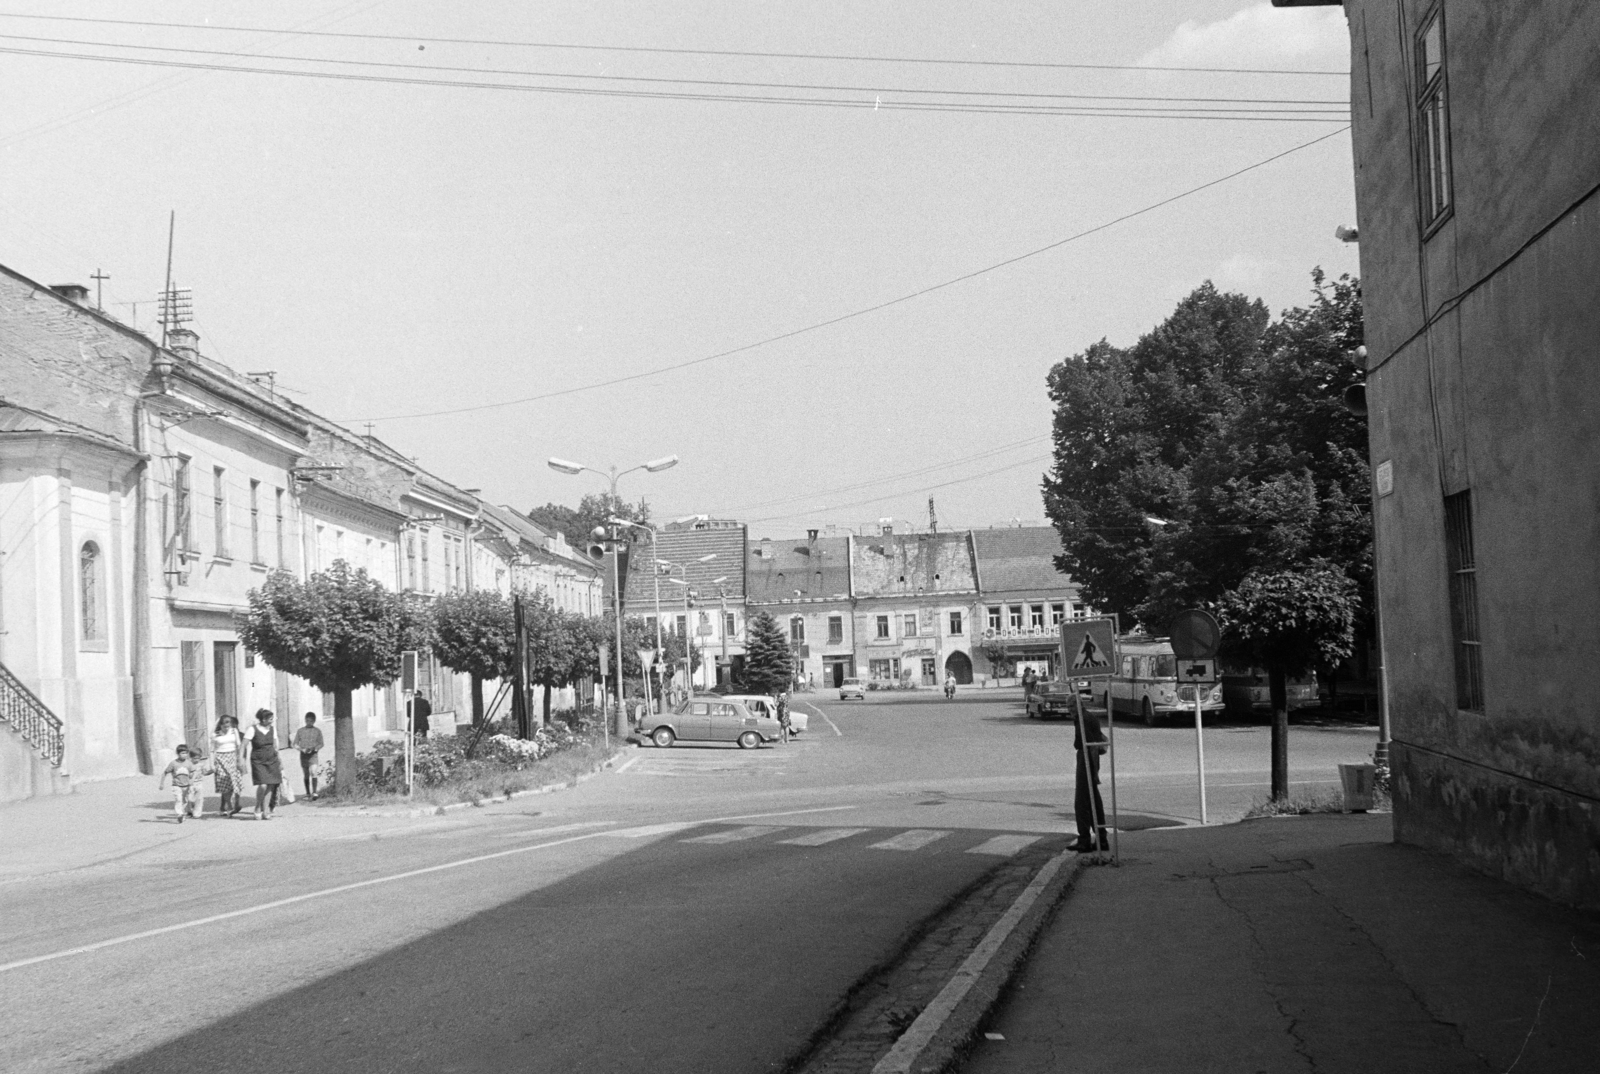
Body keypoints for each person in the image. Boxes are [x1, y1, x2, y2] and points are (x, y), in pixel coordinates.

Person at [1071, 704, 1110, 853]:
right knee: (1093, 800)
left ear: (1079, 704)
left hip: (1087, 758)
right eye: (1068, 705)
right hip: (1088, 758)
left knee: (1082, 802)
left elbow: (1088, 744)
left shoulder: (1083, 718)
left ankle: (1085, 841)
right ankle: (1101, 839)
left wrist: (1093, 771)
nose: (1069, 709)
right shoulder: (1086, 716)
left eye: (1071, 705)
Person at [243, 708, 283, 821]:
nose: (272, 721)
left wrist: (280, 761)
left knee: (270, 784)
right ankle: (257, 807)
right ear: (263, 719)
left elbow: (276, 747)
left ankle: (265, 811)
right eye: (270, 719)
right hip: (258, 760)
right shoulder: (252, 729)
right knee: (263, 785)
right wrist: (240, 759)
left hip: (272, 759)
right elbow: (243, 745)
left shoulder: (272, 729)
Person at [158, 745, 206, 823]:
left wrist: (192, 780)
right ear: (178, 753)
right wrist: (161, 783)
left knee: (186, 801)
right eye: (182, 753)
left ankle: (183, 813)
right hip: (176, 785)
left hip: (186, 786)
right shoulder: (173, 763)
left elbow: (193, 772)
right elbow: (165, 772)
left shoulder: (188, 763)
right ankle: (180, 814)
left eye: (186, 753)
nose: (184, 755)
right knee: (178, 800)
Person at [211, 715, 245, 816]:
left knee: (235, 781)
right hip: (220, 758)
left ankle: (236, 804)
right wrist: (212, 764)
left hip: (232, 757)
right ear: (220, 725)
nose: (226, 728)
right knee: (224, 782)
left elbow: (239, 745)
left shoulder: (234, 731)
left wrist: (240, 759)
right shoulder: (215, 734)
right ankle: (229, 806)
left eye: (228, 725)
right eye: (224, 726)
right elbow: (212, 750)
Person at [292, 712, 324, 800]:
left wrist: (316, 748)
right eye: (307, 720)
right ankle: (307, 793)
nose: (308, 722)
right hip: (304, 755)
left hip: (313, 755)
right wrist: (301, 749)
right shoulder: (300, 731)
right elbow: (294, 744)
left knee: (313, 772)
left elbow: (321, 743)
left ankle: (314, 792)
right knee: (306, 774)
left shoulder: (317, 731)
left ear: (314, 721)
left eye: (311, 721)